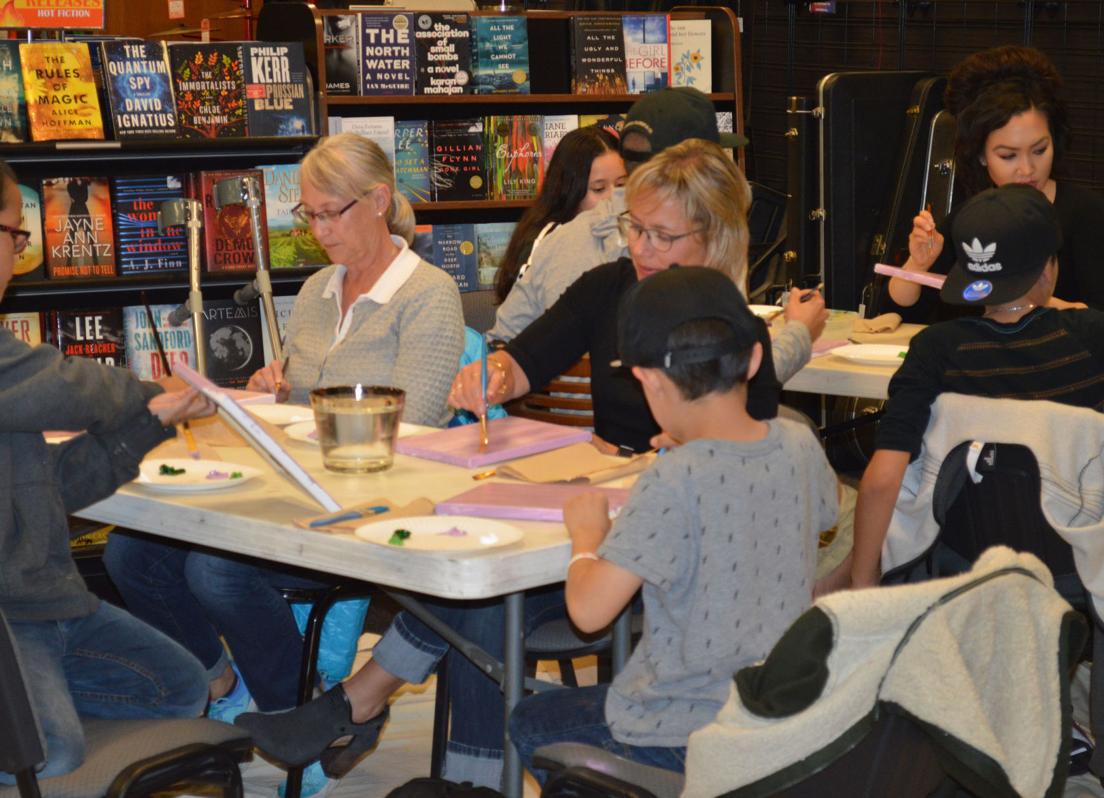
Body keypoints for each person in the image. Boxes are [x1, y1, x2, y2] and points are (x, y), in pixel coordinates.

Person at [233, 137, 810, 789]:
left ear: (715, 238)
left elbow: (745, 458)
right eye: (635, 228)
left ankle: (370, 714)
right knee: (481, 586)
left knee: (485, 598)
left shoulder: (733, 333)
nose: (642, 248)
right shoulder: (610, 287)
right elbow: (528, 354)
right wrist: (497, 375)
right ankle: (430, 757)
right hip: (603, 515)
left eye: (663, 236)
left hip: (659, 550)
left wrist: (671, 459)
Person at [104, 133, 464, 741]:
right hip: (293, 487)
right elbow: (301, 392)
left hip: (371, 501)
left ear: (379, 201)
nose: (320, 230)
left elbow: (413, 424)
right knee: (130, 552)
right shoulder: (320, 290)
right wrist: (273, 389)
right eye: (309, 214)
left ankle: (305, 716)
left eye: (331, 213)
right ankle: (223, 684)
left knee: (216, 571)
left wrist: (302, 415)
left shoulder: (430, 294)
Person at [0, 138, 213, 779]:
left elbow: (47, 485)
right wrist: (150, 391)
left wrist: (150, 423)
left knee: (179, 687)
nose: (20, 252)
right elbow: (63, 386)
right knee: (48, 749)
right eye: (15, 234)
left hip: (36, 600)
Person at [508, 266, 838, 781]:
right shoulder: (798, 442)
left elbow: (589, 612)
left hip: (681, 733)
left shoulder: (673, 477)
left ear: (648, 380)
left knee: (531, 720)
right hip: (773, 717)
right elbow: (828, 507)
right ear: (755, 359)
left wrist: (587, 539)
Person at [842, 183, 1104, 592]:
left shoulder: (934, 349)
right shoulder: (1090, 337)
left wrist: (862, 582)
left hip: (961, 567)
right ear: (1048, 268)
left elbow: (882, 480)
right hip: (1081, 566)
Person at [489, 87, 826, 385]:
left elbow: (500, 340)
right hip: (657, 424)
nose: (642, 247)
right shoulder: (695, 247)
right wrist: (799, 334)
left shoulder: (563, 236)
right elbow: (725, 388)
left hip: (549, 425)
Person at [886, 45, 1104, 318]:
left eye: (1039, 150)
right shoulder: (973, 219)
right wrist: (918, 264)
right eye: (1008, 156)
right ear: (981, 155)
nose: (1027, 169)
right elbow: (901, 309)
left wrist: (1025, 298)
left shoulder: (1087, 214)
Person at [493, 126, 625, 304]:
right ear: (569, 191)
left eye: (622, 185)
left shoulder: (628, 233)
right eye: (599, 189)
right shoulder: (546, 241)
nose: (613, 197)